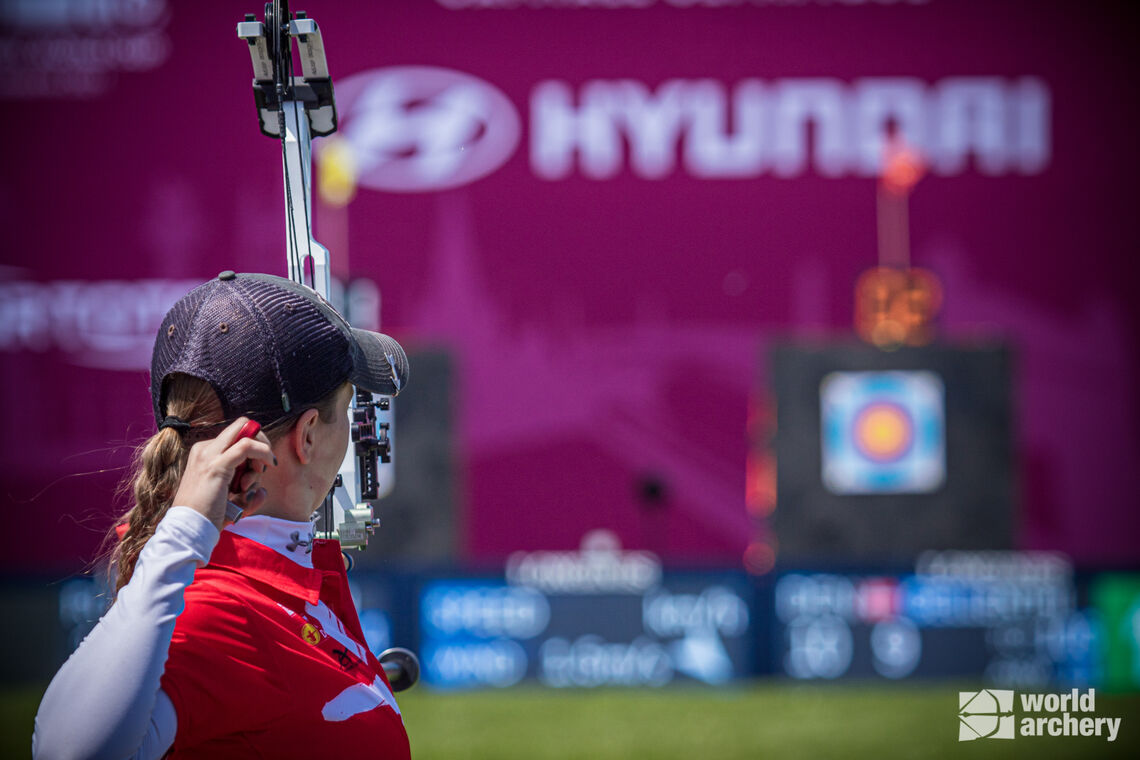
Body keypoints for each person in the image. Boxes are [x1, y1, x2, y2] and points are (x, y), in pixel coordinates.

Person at [32, 271, 411, 759]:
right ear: (309, 435)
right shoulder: (219, 610)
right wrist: (184, 531)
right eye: (347, 405)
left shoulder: (271, 582)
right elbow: (67, 753)